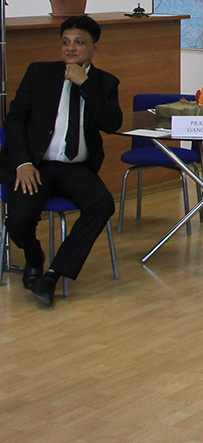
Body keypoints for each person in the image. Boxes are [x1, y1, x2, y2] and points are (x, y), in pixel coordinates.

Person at [0, 16, 122, 307]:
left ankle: (53, 275)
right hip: (35, 165)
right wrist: (22, 163)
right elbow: (14, 120)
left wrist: (85, 83)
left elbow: (111, 123)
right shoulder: (39, 73)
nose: (70, 48)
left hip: (76, 169)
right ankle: (34, 256)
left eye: (79, 42)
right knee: (18, 220)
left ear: (94, 47)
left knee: (102, 204)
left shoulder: (104, 82)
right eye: (66, 42)